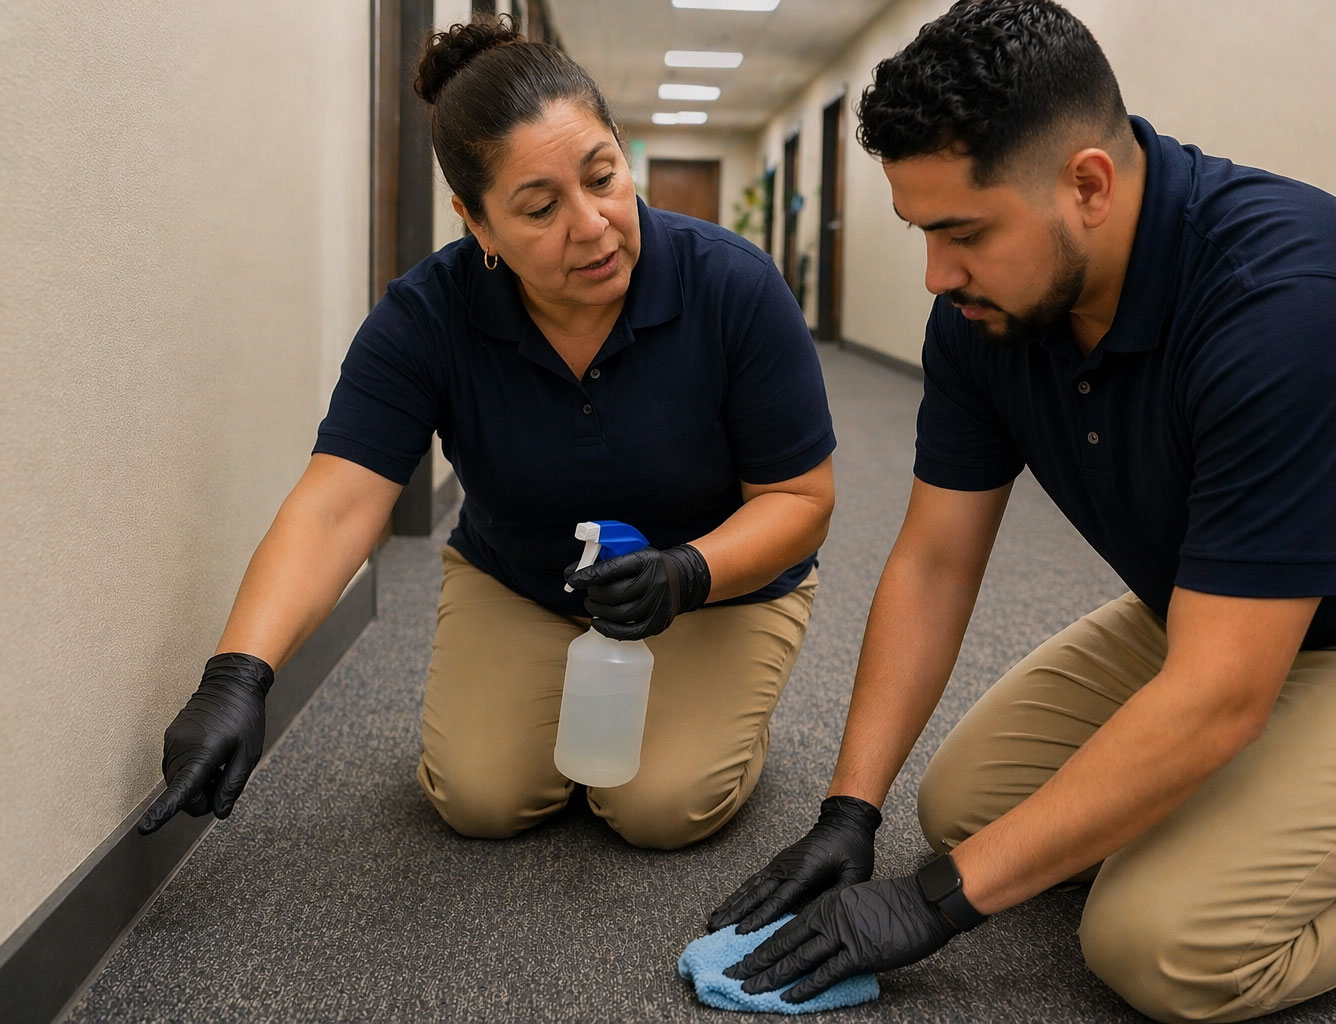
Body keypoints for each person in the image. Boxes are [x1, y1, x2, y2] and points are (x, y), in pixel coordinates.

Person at [709, 2, 1336, 1019]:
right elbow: (933, 562)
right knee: (963, 807)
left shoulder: (1288, 309)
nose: (936, 274)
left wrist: (933, 906)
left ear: (1088, 184)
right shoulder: (986, 313)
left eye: (963, 232)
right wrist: (849, 813)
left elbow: (1223, 696)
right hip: (1222, 608)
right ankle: (1287, 793)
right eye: (923, 232)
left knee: (1158, 943)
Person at [136, 14, 836, 852]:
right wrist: (237, 676)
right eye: (540, 208)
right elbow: (336, 503)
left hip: (715, 585)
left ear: (622, 153)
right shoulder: (427, 316)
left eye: (605, 177)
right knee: (480, 799)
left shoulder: (734, 287)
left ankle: (718, 710)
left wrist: (688, 572)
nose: (594, 224)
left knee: (658, 808)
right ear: (478, 224)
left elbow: (800, 499)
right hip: (526, 578)